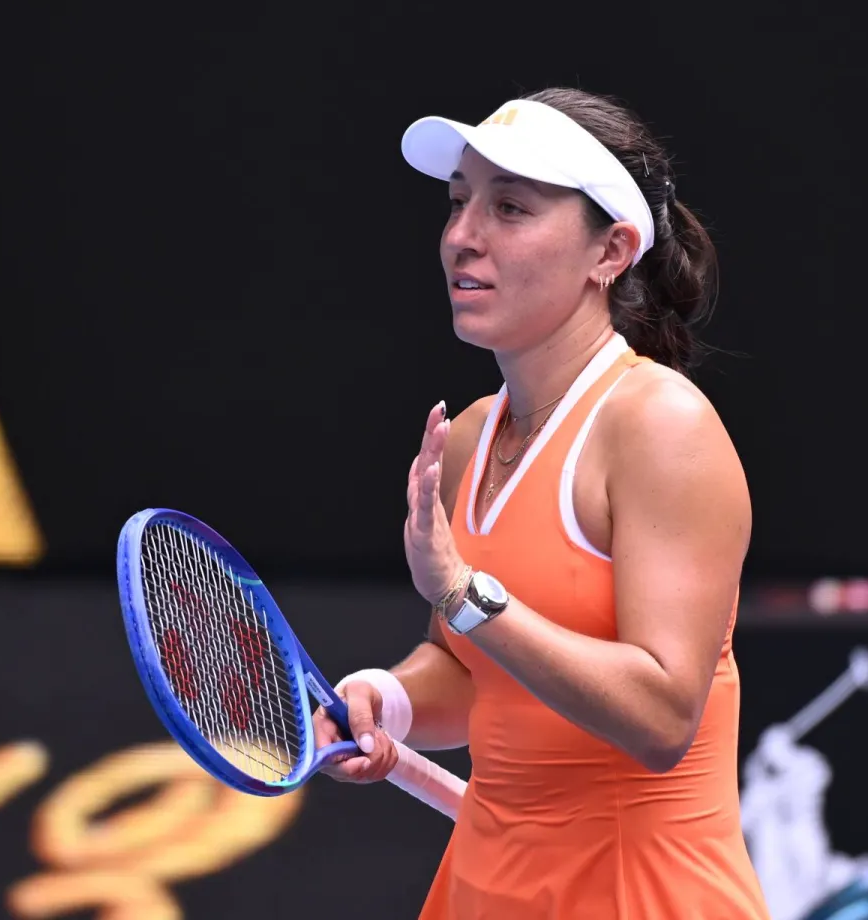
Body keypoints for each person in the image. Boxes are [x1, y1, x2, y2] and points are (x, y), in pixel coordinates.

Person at [315, 87, 769, 919]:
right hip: (485, 891)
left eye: (510, 208)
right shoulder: (468, 441)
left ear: (611, 252)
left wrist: (463, 592)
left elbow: (662, 717)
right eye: (458, 204)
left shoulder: (661, 427)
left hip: (644, 896)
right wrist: (394, 698)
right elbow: (473, 672)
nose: (462, 236)